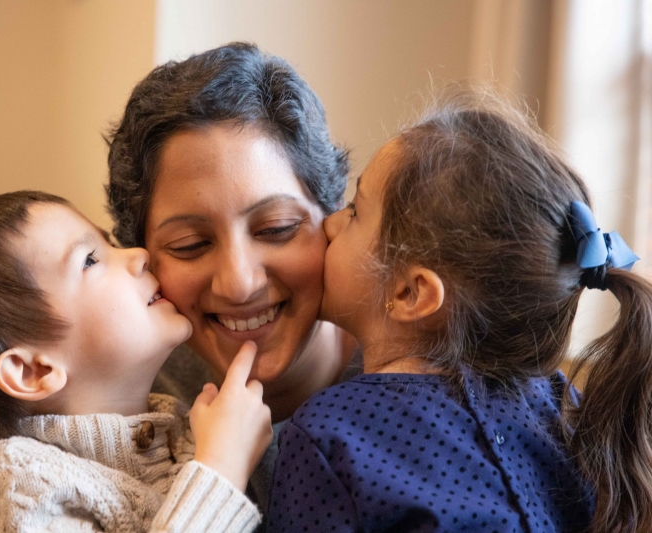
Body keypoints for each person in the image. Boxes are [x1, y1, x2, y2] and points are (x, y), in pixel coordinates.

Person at [267, 88, 651, 533]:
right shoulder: (563, 408)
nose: (329, 223)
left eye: (354, 211)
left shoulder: (330, 435)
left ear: (412, 293)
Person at [0, 191, 272, 533]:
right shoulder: (23, 489)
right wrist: (220, 470)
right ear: (33, 371)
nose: (138, 255)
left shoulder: (189, 433)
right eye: (91, 260)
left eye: (109, 241)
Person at [106, 42, 358, 511]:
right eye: (190, 246)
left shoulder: (424, 367)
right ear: (142, 258)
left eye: (276, 229)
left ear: (334, 218)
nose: (239, 283)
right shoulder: (135, 401)